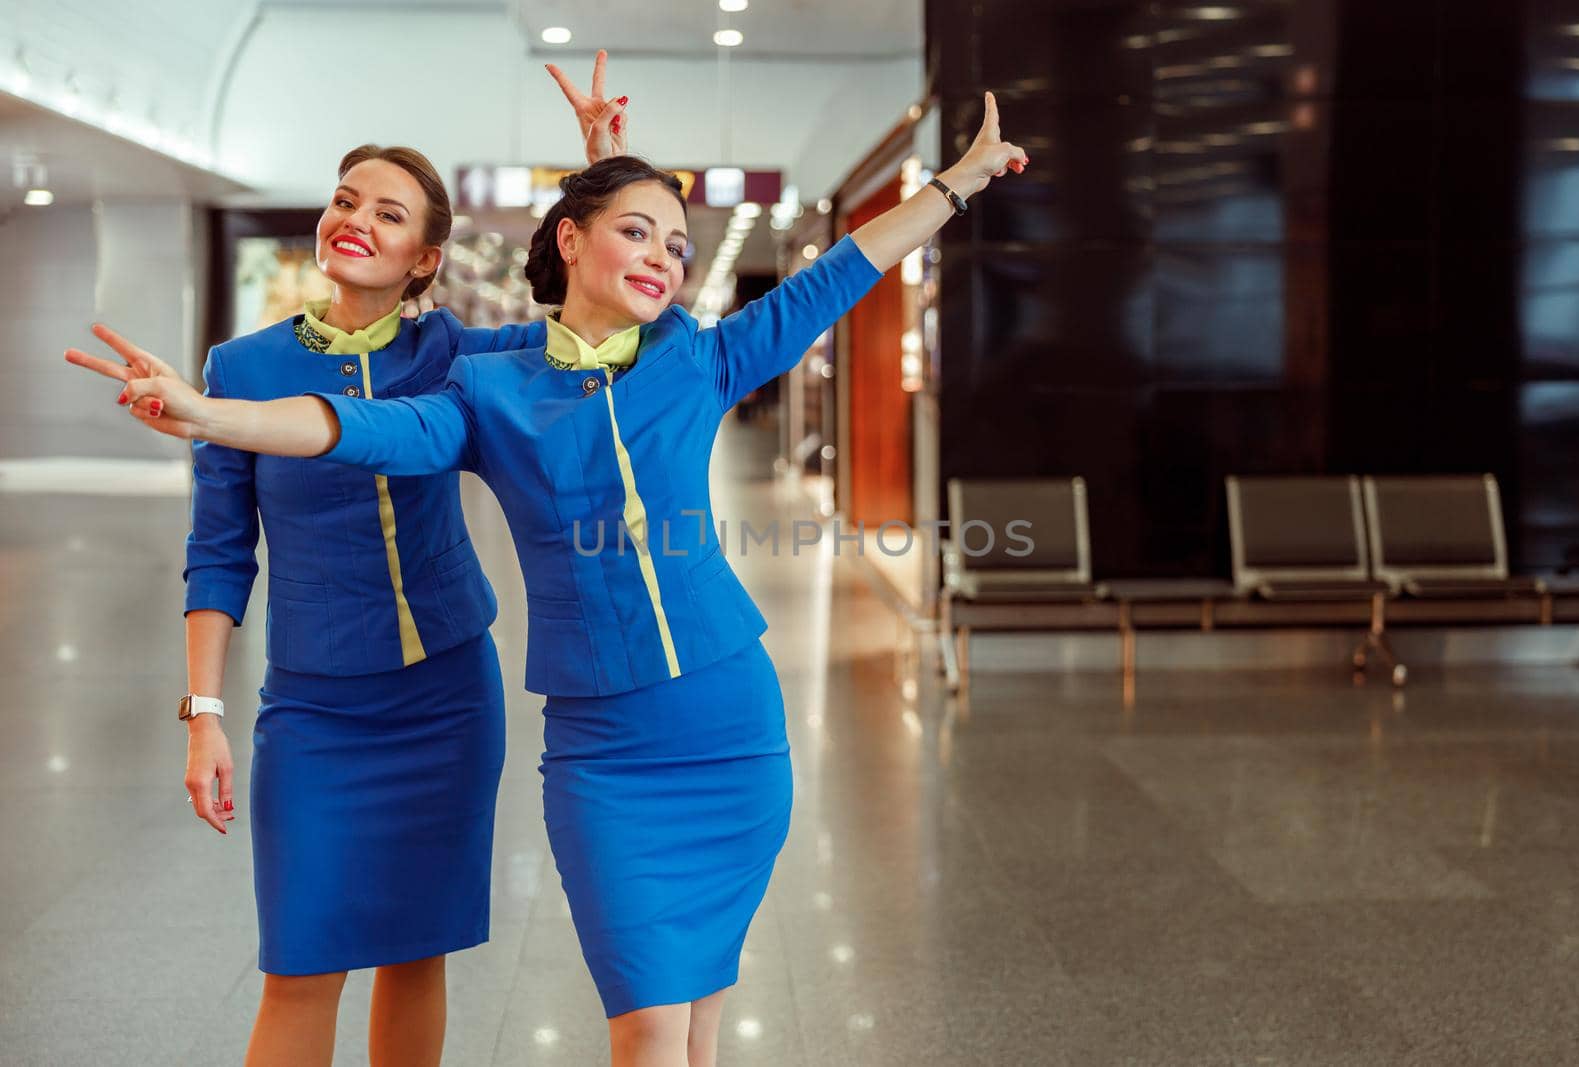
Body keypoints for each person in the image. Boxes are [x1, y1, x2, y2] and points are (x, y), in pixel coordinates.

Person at [70, 92, 1027, 1067]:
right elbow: (367, 427)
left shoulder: (689, 359)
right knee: (648, 1014)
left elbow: (839, 274)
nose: (663, 258)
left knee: (693, 1020)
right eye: (636, 234)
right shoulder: (488, 388)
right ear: (569, 241)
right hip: (598, 745)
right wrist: (216, 415)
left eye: (677, 245)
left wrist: (957, 183)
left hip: (729, 722)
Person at [63, 54, 626, 1067]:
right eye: (343, 198)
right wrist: (204, 716)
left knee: (418, 953)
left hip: (449, 690)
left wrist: (603, 164)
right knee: (302, 961)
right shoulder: (240, 372)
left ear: (423, 258)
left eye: (390, 210)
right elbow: (219, 554)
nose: (354, 216)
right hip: (314, 705)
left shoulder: (457, 354)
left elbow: (598, 327)